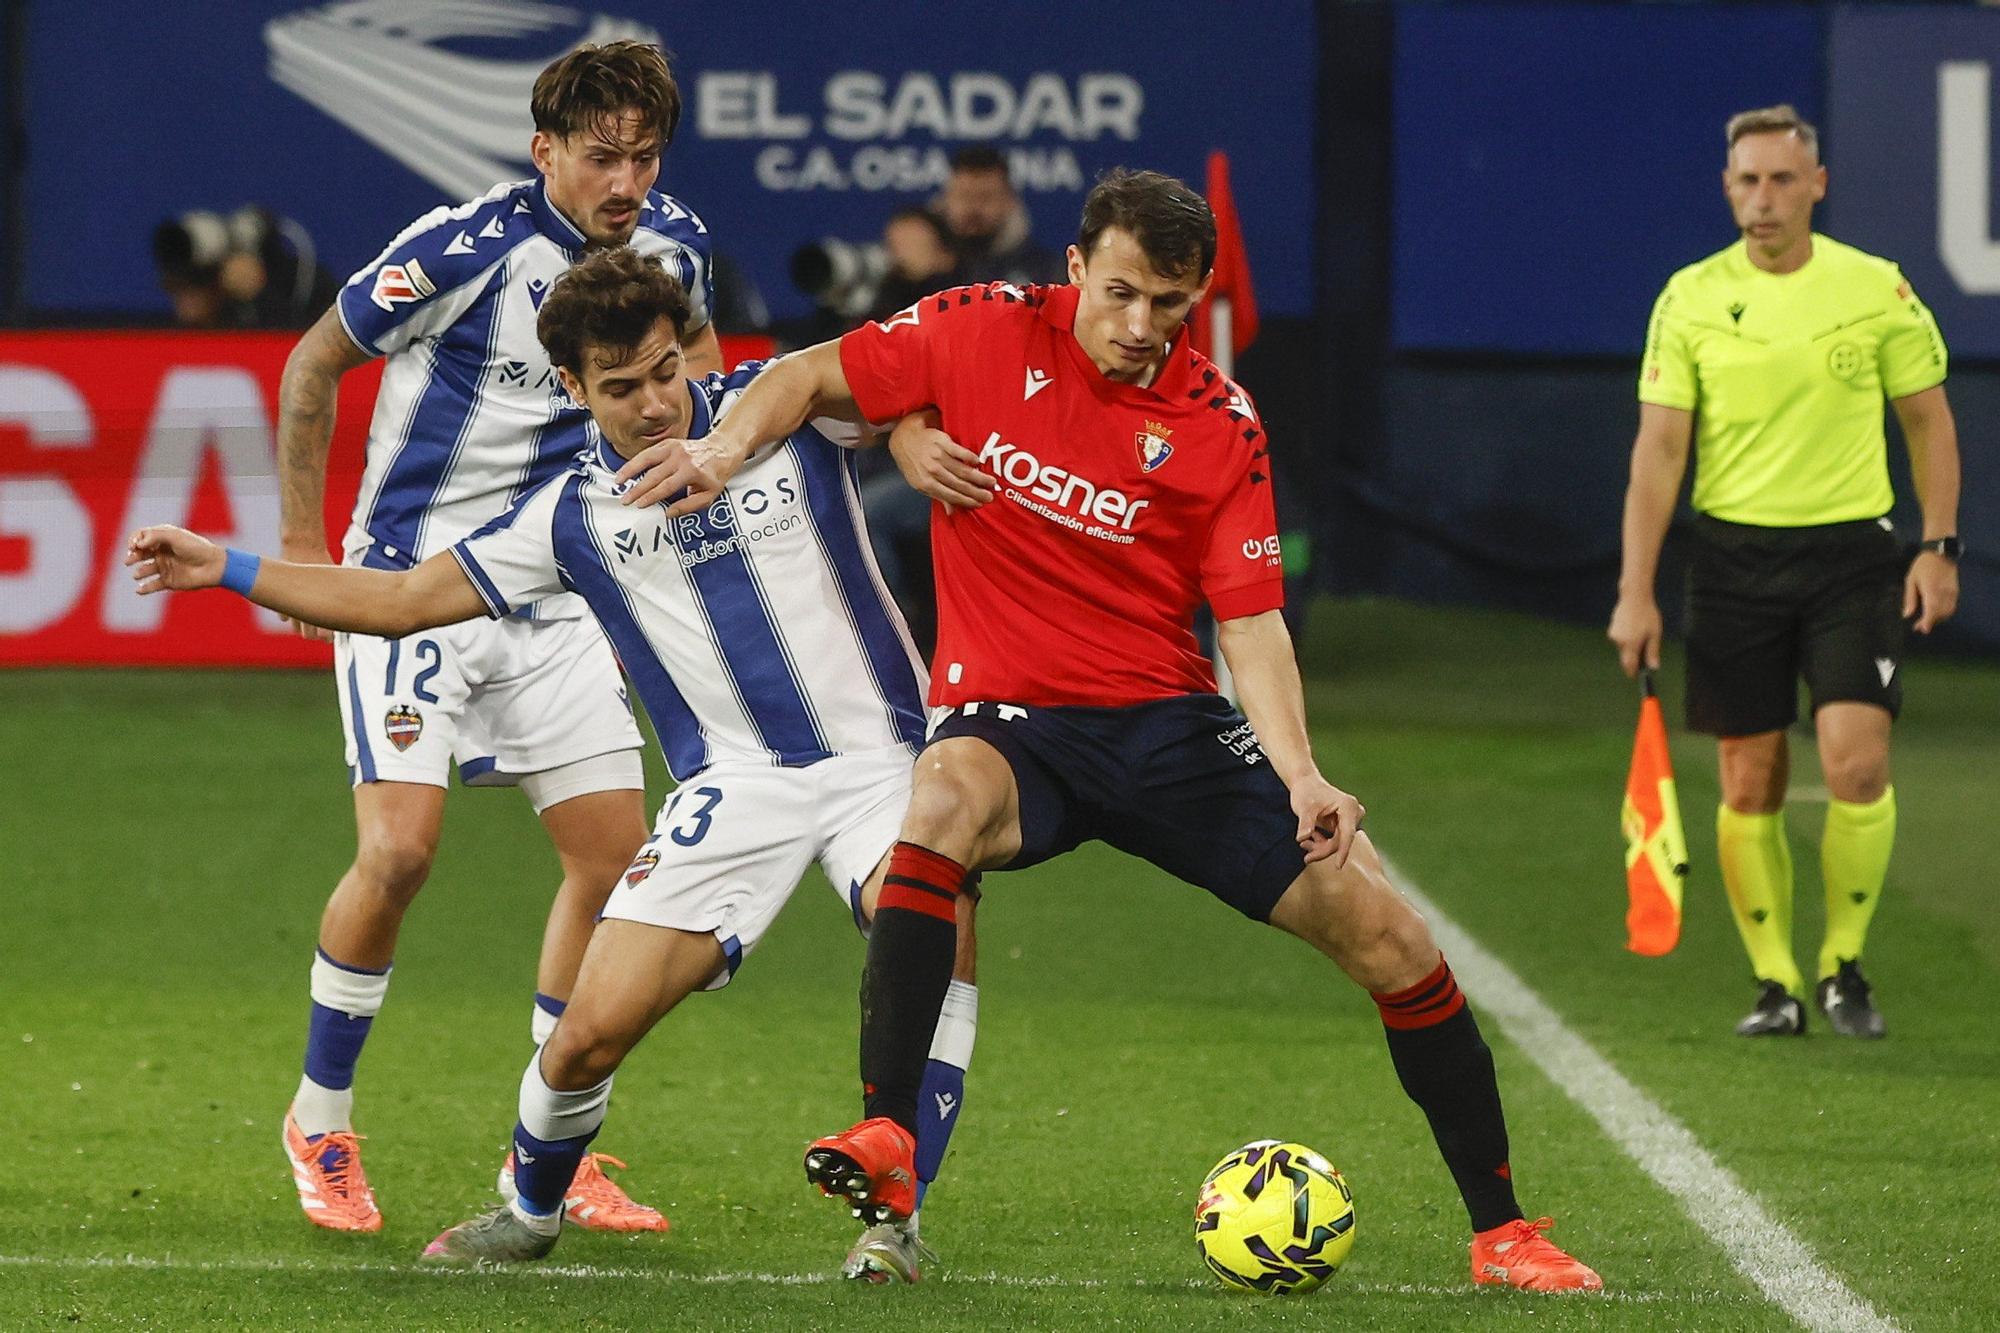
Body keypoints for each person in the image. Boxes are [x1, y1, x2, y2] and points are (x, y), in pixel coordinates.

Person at [614, 168, 1603, 1293]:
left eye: (1169, 306)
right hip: (1011, 718)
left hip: (1166, 725)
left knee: (1392, 939)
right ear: (1074, 267)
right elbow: (804, 377)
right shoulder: (976, 324)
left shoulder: (1219, 425)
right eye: (1122, 293)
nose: (1141, 328)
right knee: (934, 805)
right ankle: (887, 1130)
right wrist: (719, 451)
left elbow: (1255, 626)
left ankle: (1502, 1232)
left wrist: (1300, 774)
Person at [127, 247, 980, 1284]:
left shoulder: (774, 409)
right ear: (573, 389)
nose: (657, 402)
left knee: (928, 918)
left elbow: (918, 371)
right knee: (580, 1041)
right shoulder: (567, 516)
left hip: (878, 766)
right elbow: (400, 602)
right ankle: (529, 1208)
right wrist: (231, 567)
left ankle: (893, 1219)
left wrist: (912, 426)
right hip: (733, 793)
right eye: (621, 387)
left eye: (666, 370)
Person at [269, 40, 721, 1235]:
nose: (623, 180)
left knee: (614, 864)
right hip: (411, 583)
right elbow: (314, 361)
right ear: (544, 152)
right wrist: (304, 551)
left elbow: (702, 396)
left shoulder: (674, 247)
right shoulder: (465, 247)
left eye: (641, 155)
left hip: (555, 596)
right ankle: (319, 1116)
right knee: (402, 853)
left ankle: (558, 1150)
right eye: (598, 156)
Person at [1609, 105, 1960, 1040]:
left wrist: (1939, 544)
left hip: (1853, 558)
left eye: (1780, 180)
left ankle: (1844, 962)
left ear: (1817, 186)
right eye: (1746, 182)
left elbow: (1928, 420)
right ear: (1727, 190)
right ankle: (1777, 982)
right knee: (1749, 781)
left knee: (1856, 760)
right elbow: (1660, 451)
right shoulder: (1689, 297)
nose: (1762, 199)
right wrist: (1634, 589)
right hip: (1732, 561)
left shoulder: (1875, 288)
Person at [937, 145, 1064, 288]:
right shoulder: (920, 269)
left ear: (1009, 201)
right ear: (945, 200)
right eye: (964, 196)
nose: (974, 207)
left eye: (986, 197)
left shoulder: (1045, 271)